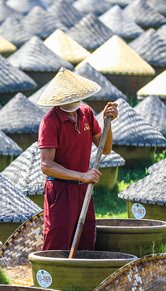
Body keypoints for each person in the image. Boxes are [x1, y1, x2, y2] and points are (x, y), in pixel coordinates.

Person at [36, 68, 119, 251]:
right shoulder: (50, 121)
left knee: (85, 237)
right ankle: (53, 276)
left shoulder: (86, 113)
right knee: (58, 239)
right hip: (60, 189)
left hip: (83, 189)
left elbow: (105, 148)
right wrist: (82, 176)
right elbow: (46, 165)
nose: (72, 99)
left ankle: (79, 277)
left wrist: (107, 123)